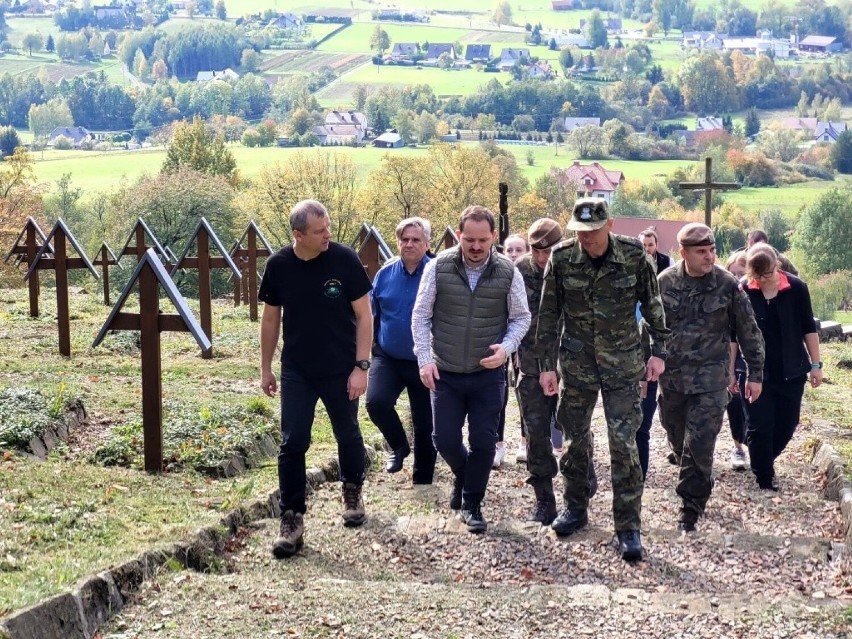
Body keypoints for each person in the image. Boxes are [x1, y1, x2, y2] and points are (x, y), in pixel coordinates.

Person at [537, 198, 670, 561]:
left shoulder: (633, 255)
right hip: (577, 364)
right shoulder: (562, 259)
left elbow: (653, 304)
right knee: (575, 440)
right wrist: (546, 365)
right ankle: (575, 508)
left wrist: (659, 351)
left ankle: (628, 526)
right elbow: (548, 316)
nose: (587, 239)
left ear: (608, 225)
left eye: (593, 231)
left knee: (624, 445)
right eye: (580, 232)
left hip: (623, 363)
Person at [259, 199, 373, 559]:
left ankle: (352, 490)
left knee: (348, 433)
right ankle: (291, 520)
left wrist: (362, 367)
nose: (328, 235)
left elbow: (365, 316)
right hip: (297, 370)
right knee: (293, 442)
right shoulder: (278, 266)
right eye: (319, 231)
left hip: (342, 367)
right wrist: (265, 367)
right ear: (298, 235)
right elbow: (270, 320)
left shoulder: (344, 260)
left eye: (328, 228)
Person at [412, 205, 531, 534]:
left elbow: (521, 317)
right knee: (444, 438)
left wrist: (506, 349)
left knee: (483, 441)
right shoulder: (438, 267)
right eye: (469, 240)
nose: (476, 247)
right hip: (446, 371)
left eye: (483, 240)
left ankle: (472, 503)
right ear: (459, 236)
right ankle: (465, 475)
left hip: (487, 374)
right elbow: (421, 316)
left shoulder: (508, 271)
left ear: (494, 237)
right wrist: (424, 358)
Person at [657, 223, 764, 534]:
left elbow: (749, 331)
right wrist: (643, 367)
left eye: (712, 250)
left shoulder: (727, 284)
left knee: (700, 445)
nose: (709, 256)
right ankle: (698, 476)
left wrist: (755, 374)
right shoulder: (665, 283)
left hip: (711, 381)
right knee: (679, 441)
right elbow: (650, 328)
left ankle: (689, 509)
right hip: (673, 381)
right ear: (684, 253)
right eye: (701, 251)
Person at [741, 243, 822, 491]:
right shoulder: (743, 289)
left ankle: (761, 457)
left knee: (788, 424)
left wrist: (816, 365)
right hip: (756, 372)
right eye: (758, 276)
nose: (763, 280)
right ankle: (764, 476)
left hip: (792, 369)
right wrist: (730, 368)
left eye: (767, 274)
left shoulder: (796, 288)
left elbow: (809, 327)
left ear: (777, 265)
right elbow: (734, 333)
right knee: (760, 425)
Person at [366, 217, 437, 483]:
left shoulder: (437, 272)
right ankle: (398, 445)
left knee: (425, 422)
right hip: (389, 356)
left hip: (425, 359)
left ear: (427, 243)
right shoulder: (385, 273)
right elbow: (372, 313)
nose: (409, 244)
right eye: (404, 239)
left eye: (416, 240)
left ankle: (423, 479)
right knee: (376, 403)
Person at [514, 218, 568, 524]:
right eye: (536, 251)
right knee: (535, 433)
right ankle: (544, 499)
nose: (542, 258)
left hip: (569, 364)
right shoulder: (519, 270)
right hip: (532, 365)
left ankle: (578, 488)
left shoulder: (574, 266)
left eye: (548, 251)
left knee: (573, 429)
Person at [635, 227, 674, 480]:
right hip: (632, 357)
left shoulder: (666, 276)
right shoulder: (627, 278)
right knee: (636, 423)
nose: (647, 249)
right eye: (643, 244)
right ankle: (636, 474)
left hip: (659, 355)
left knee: (655, 419)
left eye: (650, 244)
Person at [495, 233, 530, 467]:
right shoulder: (498, 274)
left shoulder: (532, 276)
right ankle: (497, 445)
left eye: (519, 249)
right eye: (510, 250)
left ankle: (525, 441)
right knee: (498, 396)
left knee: (524, 393)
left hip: (525, 343)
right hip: (498, 342)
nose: (514, 254)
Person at [724, 251, 750, 471]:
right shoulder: (722, 293)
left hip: (749, 354)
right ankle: (738, 447)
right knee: (734, 403)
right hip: (727, 354)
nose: (737, 278)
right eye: (733, 273)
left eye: (741, 273)